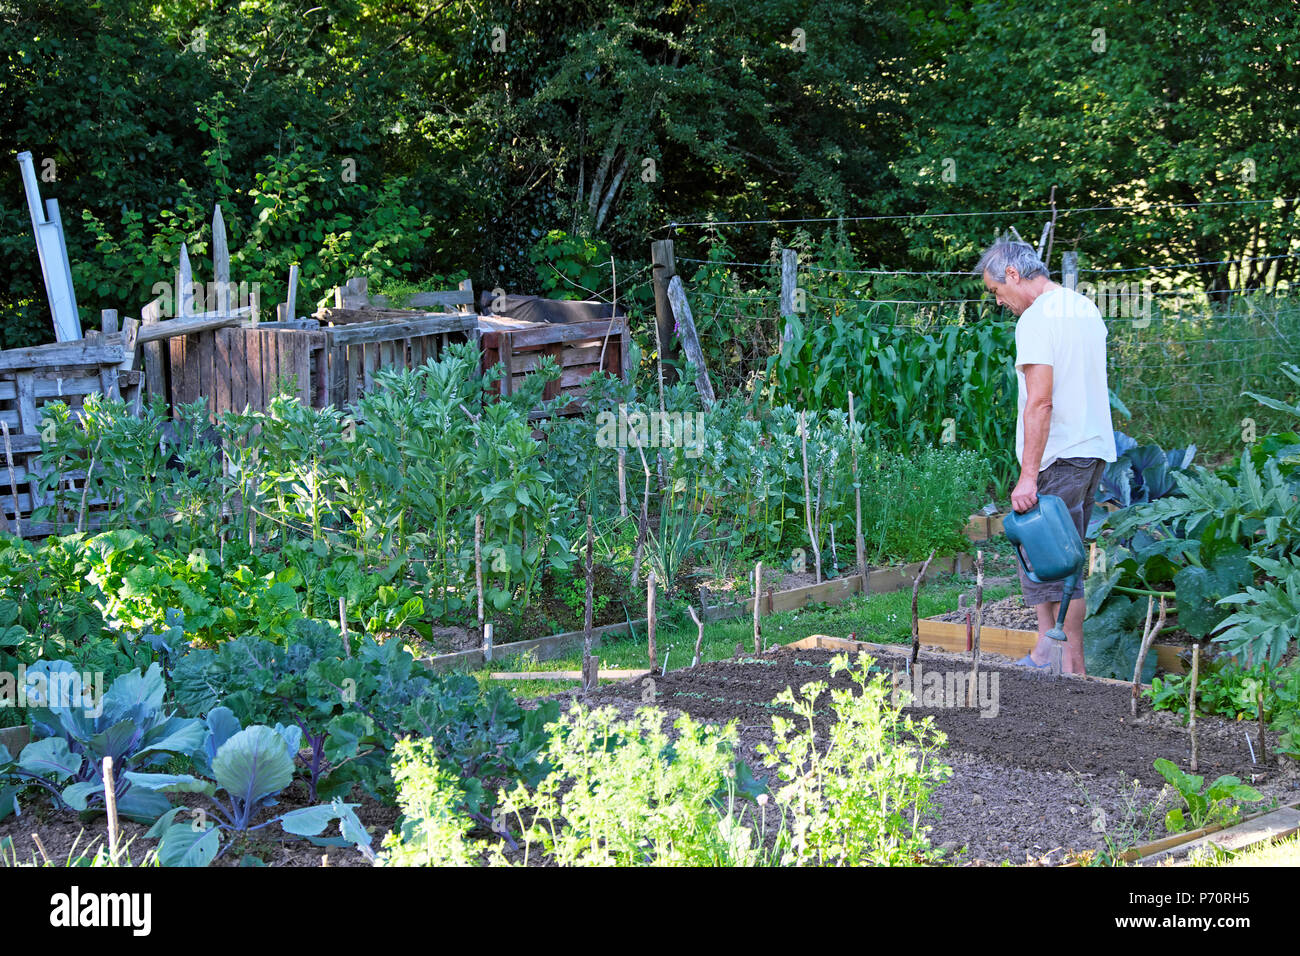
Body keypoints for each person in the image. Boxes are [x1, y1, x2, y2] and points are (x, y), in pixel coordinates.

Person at [973, 239, 1117, 675]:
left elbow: (1041, 403)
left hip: (1059, 455)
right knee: (1064, 559)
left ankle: (1069, 667)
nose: (1000, 302)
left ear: (1013, 275)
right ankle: (1049, 655)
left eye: (997, 292)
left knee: (1051, 560)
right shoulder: (1083, 307)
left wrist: (1028, 476)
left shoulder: (1036, 320)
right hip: (1092, 450)